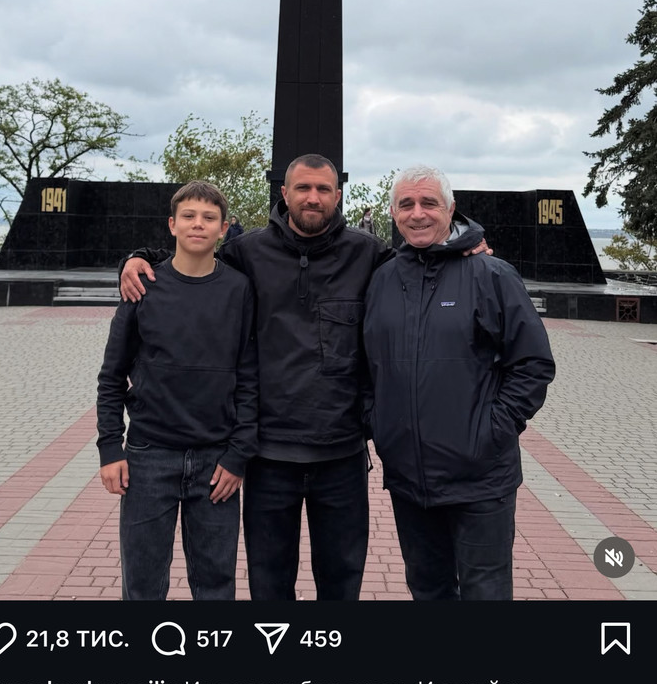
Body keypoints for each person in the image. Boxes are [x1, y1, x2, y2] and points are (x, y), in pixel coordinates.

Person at [119, 154, 489, 601]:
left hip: (342, 454)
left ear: (338, 196)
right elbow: (193, 257)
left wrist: (468, 242)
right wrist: (138, 258)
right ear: (284, 193)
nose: (312, 198)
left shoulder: (368, 253)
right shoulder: (247, 252)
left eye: (323, 189)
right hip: (269, 456)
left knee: (341, 581)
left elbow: (424, 261)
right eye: (303, 188)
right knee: (269, 584)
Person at [363, 165, 555, 601]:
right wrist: (379, 423)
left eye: (429, 203)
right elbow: (366, 365)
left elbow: (533, 364)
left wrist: (493, 430)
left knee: (485, 593)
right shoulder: (382, 279)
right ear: (393, 213)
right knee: (427, 590)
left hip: (480, 478)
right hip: (409, 477)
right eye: (406, 204)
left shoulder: (492, 275)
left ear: (451, 210)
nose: (417, 213)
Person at [97, 180, 257, 601]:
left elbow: (249, 377)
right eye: (188, 216)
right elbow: (111, 375)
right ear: (172, 224)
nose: (198, 224)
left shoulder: (239, 289)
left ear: (224, 228)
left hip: (216, 462)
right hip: (148, 457)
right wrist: (110, 448)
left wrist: (238, 456)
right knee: (143, 587)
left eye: (209, 217)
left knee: (216, 587)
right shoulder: (142, 285)